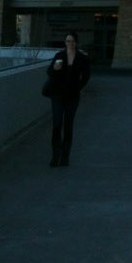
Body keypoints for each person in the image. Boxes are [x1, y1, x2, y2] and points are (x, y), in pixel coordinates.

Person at [46, 31, 91, 167]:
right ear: (65, 42)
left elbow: (86, 76)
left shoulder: (82, 58)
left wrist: (78, 87)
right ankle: (55, 156)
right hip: (58, 95)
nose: (69, 43)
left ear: (76, 42)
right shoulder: (59, 56)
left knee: (68, 126)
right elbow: (49, 72)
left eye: (72, 41)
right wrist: (55, 68)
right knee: (57, 124)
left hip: (72, 96)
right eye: (67, 41)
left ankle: (65, 157)